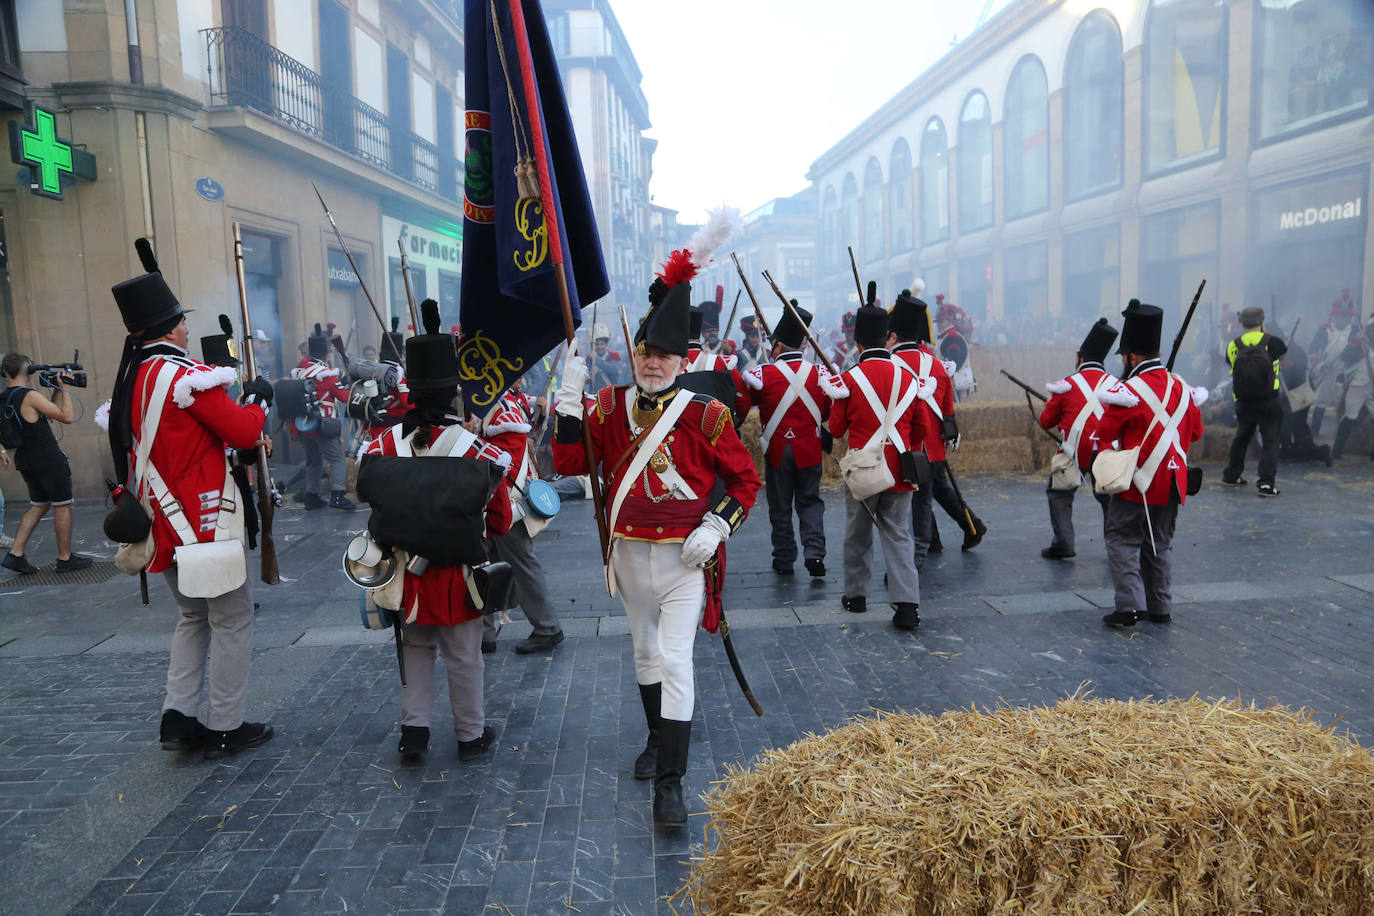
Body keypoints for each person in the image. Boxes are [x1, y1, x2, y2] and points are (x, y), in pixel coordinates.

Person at [551, 252, 760, 827]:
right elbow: (569, 459)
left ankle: (671, 784)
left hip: (683, 561)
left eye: (664, 354)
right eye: (646, 352)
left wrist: (716, 526)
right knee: (644, 654)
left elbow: (745, 481)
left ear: (682, 360)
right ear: (636, 353)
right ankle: (654, 739)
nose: (653, 363)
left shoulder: (708, 414)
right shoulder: (610, 405)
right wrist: (569, 395)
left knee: (675, 660)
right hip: (627, 557)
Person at [104, 246, 275, 756]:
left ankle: (178, 717)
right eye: (181, 323)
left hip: (162, 522)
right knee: (231, 618)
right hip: (203, 522)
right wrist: (261, 399)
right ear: (173, 327)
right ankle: (226, 722)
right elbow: (243, 430)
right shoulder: (184, 378)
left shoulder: (132, 377)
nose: (185, 330)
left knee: (193, 618)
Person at [362, 299, 510, 764]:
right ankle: (470, 736)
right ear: (452, 393)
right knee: (465, 656)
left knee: (416, 651)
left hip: (404, 573)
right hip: (457, 574)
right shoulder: (477, 451)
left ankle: (415, 734)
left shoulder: (383, 444)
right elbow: (501, 520)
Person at [1095, 300, 1206, 628]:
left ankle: (1130, 607)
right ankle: (1160, 607)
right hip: (1174, 480)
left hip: (1137, 480)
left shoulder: (1129, 390)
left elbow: (1105, 431)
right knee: (1160, 543)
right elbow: (1196, 432)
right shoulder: (1181, 387)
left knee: (1122, 539)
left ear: (1130, 356)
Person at [830, 304, 930, 630]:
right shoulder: (910, 378)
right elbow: (921, 431)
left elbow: (834, 429)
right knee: (900, 536)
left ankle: (856, 597)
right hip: (900, 470)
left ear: (857, 343)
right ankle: (907, 606)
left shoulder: (849, 379)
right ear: (888, 339)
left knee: (857, 535)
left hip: (863, 470)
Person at [886, 286, 976, 567]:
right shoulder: (937, 365)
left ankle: (915, 551)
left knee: (903, 505)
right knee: (923, 502)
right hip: (934, 448)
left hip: (902, 446)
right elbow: (948, 409)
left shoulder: (890, 363)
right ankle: (923, 548)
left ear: (895, 335)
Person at [743, 303, 834, 578]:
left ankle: (784, 558)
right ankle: (815, 553)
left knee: (780, 506)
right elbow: (828, 411)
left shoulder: (763, 375)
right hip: (810, 450)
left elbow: (749, 402)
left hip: (778, 450)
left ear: (779, 346)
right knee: (810, 503)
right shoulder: (820, 374)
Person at [480, 376, 564, 655]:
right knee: (482, 567)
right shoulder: (496, 404)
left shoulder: (499, 410)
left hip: (503, 505)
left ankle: (547, 628)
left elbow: (504, 466)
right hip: (488, 503)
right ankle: (484, 635)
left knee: (522, 567)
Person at [0, 353, 93, 574]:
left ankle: (15, 554)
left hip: (25, 460)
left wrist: (57, 389)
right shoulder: (29, 395)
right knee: (62, 504)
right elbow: (67, 417)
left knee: (39, 505)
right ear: (27, 370)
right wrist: (67, 388)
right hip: (47, 459)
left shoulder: (5, 397)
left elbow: (44, 414)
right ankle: (65, 558)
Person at [1037, 318, 1119, 559]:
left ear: (1081, 358)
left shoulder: (1066, 385)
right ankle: (1114, 545)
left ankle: (1063, 542)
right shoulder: (1116, 384)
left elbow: (1045, 421)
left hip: (1074, 451)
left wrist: (1052, 405)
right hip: (1106, 452)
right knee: (1108, 499)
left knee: (1059, 493)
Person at [1222, 306, 1287, 496]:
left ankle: (1231, 476)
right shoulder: (1272, 342)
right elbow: (1282, 355)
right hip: (1269, 400)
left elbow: (1229, 362)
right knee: (1270, 441)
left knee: (1241, 437)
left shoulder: (1234, 345)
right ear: (1262, 321)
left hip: (1243, 400)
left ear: (1241, 323)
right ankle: (1266, 483)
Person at [290, 324, 355, 510]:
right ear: (326, 354)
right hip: (323, 423)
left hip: (304, 424)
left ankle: (312, 496)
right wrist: (352, 390)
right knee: (338, 460)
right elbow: (343, 397)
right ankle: (338, 495)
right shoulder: (325, 374)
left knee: (314, 461)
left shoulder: (302, 370)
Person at [685, 305, 751, 422]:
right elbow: (744, 401)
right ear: (701, 332)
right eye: (708, 331)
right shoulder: (723, 364)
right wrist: (734, 423)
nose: (712, 334)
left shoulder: (668, 366)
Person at [1309, 295, 1358, 439]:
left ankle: (1342, 435)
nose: (1343, 319)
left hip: (1346, 373)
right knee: (1320, 402)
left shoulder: (1355, 331)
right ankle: (1314, 432)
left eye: (1346, 316)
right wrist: (1317, 363)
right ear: (1334, 316)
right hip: (1327, 371)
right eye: (1340, 315)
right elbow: (1312, 349)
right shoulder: (1324, 331)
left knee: (1344, 404)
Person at [1330, 310, 1374, 461]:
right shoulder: (1359, 343)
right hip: (1357, 386)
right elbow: (1345, 356)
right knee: (1350, 417)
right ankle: (1337, 451)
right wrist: (1355, 342)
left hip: (1373, 387)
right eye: (1372, 329)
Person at [936, 296, 976, 402]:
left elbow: (954, 365)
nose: (938, 325)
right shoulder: (948, 337)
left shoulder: (952, 338)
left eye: (940, 321)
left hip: (954, 389)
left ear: (949, 321)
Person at [588, 323, 626, 390]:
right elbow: (587, 381)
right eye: (597, 344)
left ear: (605, 345)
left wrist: (596, 359)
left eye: (602, 344)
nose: (600, 346)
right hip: (595, 392)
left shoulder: (613, 355)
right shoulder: (589, 358)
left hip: (610, 392)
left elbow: (614, 370)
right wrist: (588, 376)